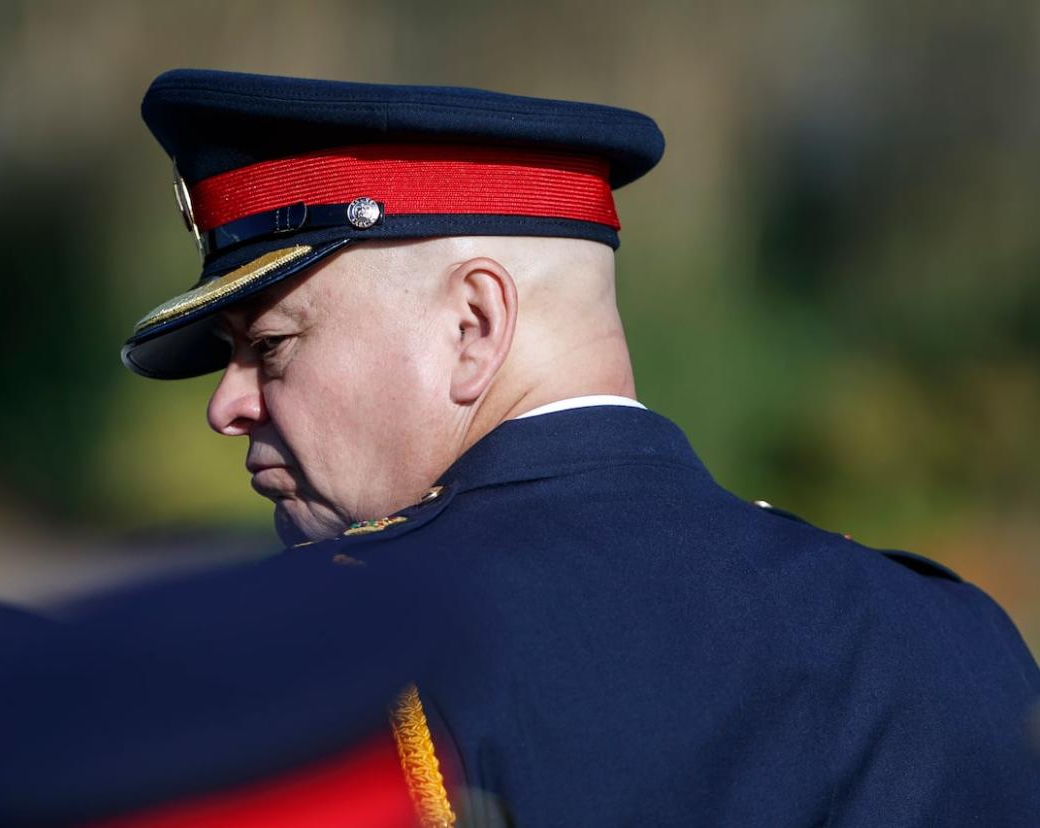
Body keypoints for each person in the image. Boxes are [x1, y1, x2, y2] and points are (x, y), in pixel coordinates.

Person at [120, 69, 1040, 824]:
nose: (228, 405)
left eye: (270, 345)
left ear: (474, 325)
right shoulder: (952, 637)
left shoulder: (317, 657)